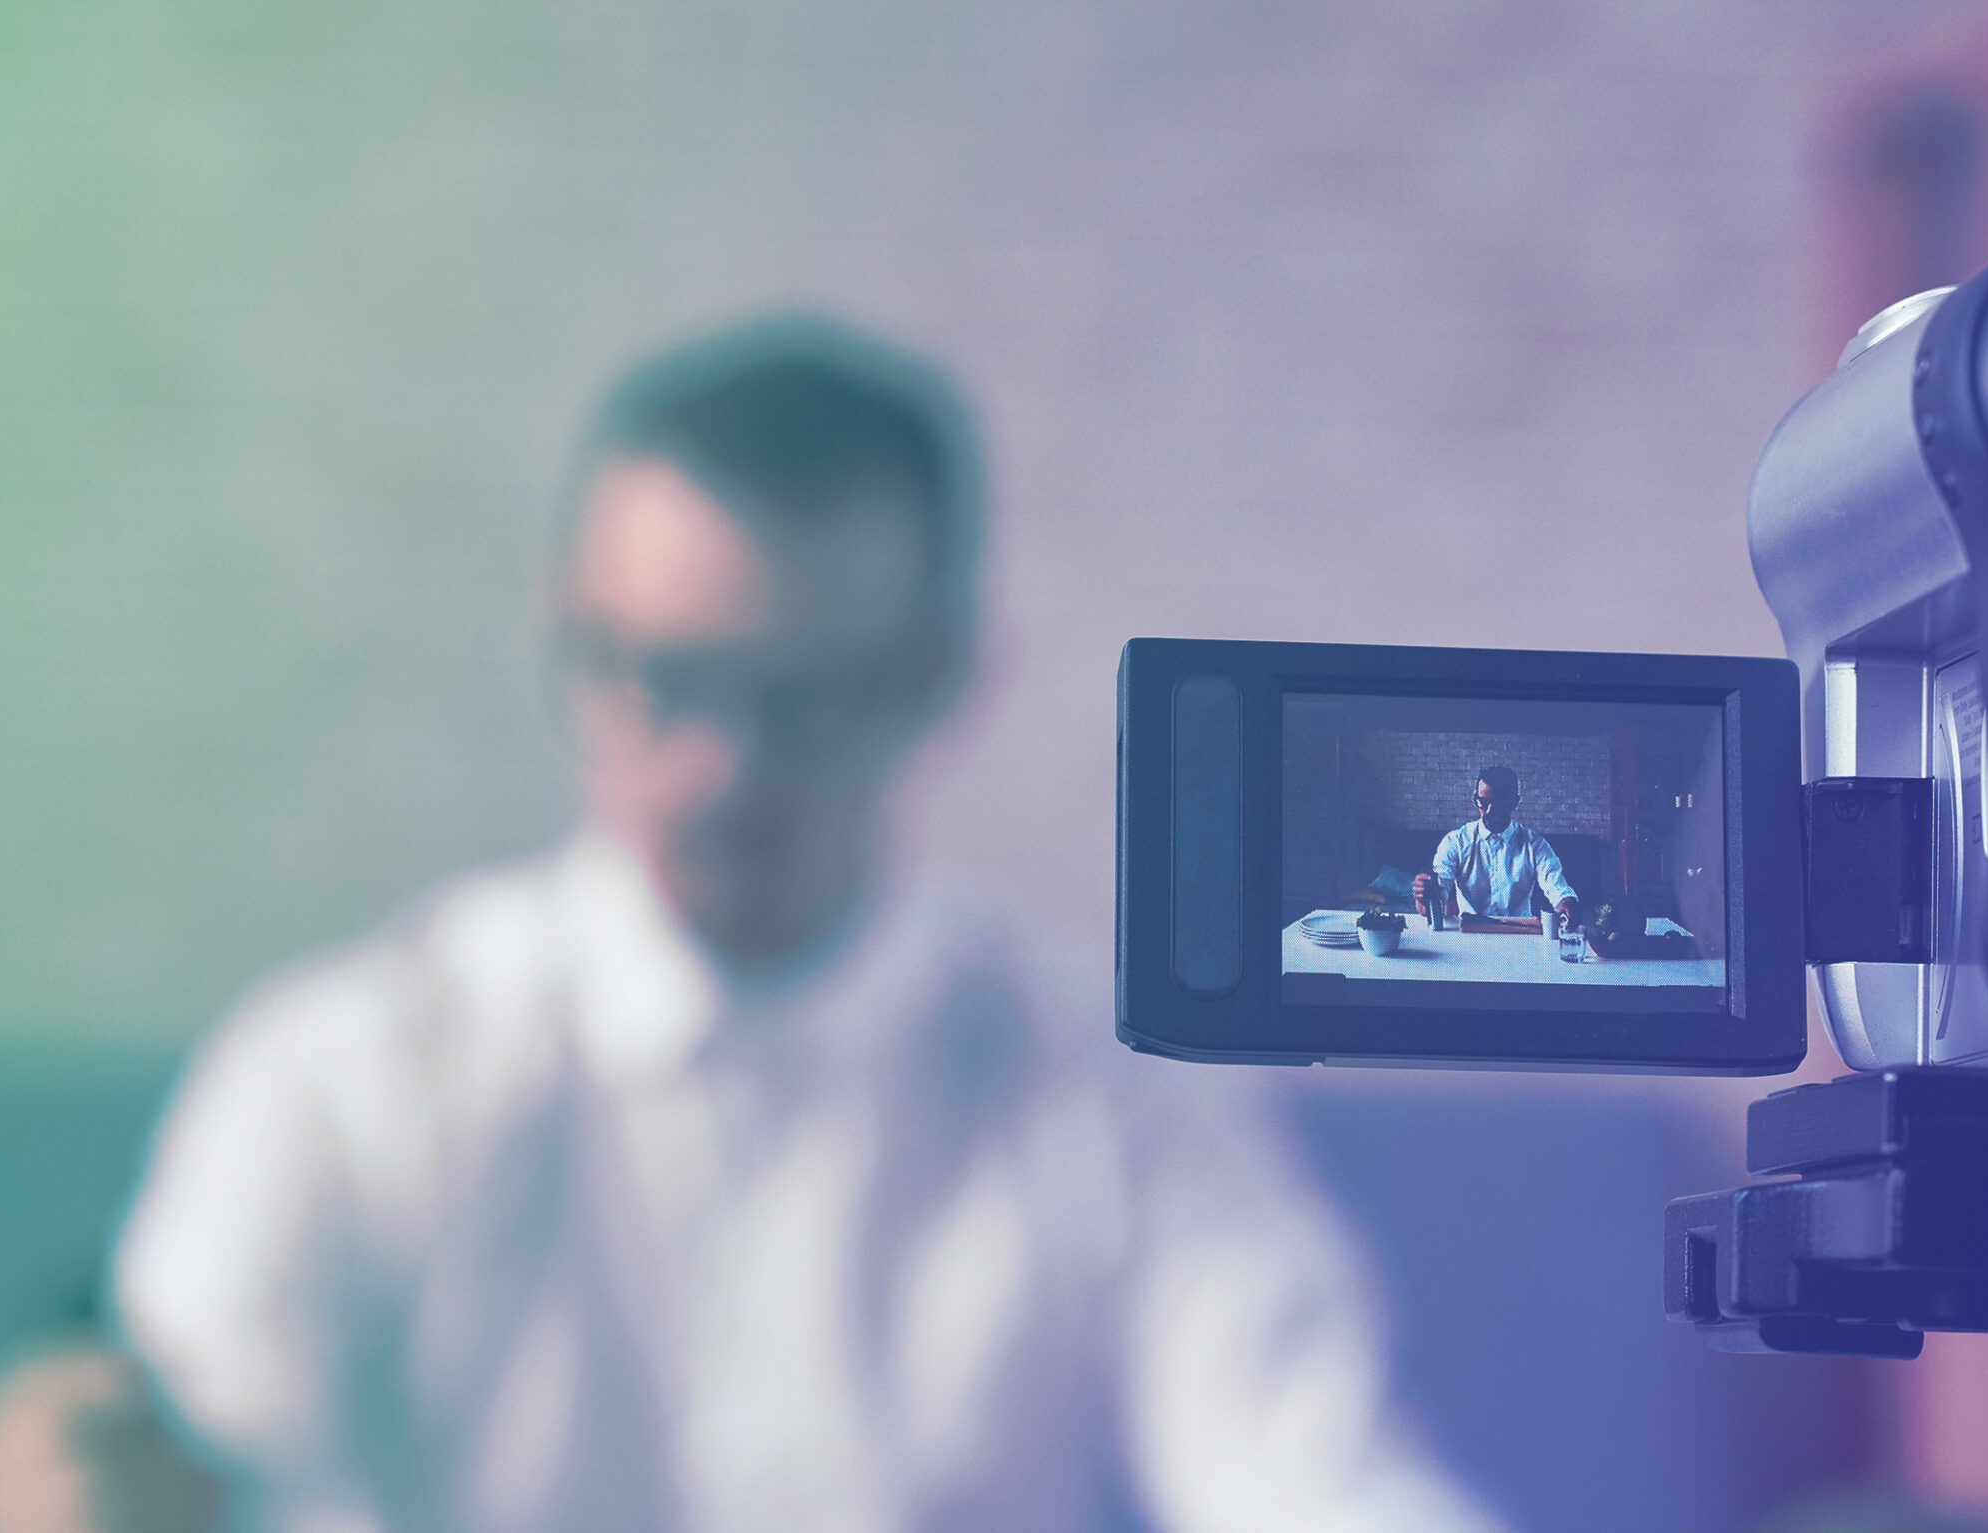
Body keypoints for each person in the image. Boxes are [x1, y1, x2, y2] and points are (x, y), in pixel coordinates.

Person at [94, 317, 1502, 1533]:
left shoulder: (1112, 1096)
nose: (720, 769)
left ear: (941, 677)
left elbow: (1315, 1473)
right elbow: (189, 1452)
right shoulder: (339, 1070)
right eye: (656, 678)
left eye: (800, 697)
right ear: (559, 639)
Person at [1411, 766, 1579, 928]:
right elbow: (1436, 896)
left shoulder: (1534, 844)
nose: (1489, 812)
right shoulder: (1456, 842)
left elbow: (1556, 887)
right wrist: (1425, 897)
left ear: (1514, 803)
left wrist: (1566, 903)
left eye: (1499, 804)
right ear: (1476, 800)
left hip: (1519, 936)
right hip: (1469, 935)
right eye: (1483, 803)